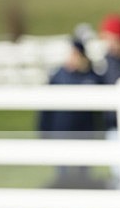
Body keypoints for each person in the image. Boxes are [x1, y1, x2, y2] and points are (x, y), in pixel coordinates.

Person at [38, 37, 103, 188]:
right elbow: (46, 108)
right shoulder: (58, 76)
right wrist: (44, 131)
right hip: (61, 132)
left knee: (83, 174)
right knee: (63, 175)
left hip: (85, 133)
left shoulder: (90, 76)